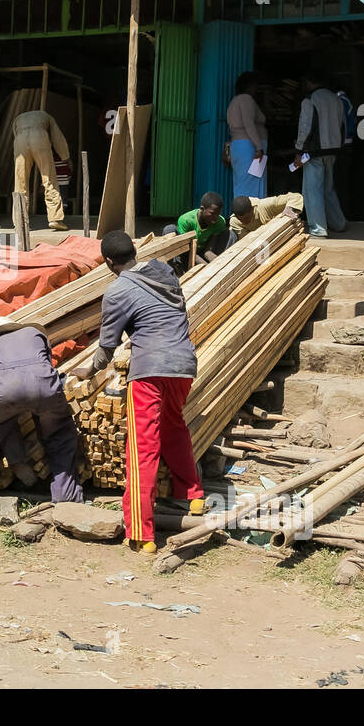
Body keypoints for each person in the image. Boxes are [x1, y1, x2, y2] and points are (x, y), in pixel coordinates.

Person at [93, 230, 204, 553]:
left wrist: (92, 368)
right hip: (183, 365)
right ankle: (192, 496)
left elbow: (108, 345)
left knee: (143, 446)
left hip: (150, 370)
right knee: (173, 425)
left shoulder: (117, 290)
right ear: (135, 252)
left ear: (109, 262)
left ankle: (142, 533)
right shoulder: (164, 272)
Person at [0, 321, 83, 521]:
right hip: (42, 384)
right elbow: (45, 366)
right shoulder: (35, 334)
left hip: (1, 389)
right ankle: (66, 502)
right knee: (59, 436)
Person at [294, 71, 348, 238]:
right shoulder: (336, 99)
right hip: (332, 150)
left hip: (313, 152)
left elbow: (305, 127)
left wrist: (299, 150)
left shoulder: (310, 99)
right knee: (328, 188)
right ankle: (338, 223)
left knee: (313, 190)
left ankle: (318, 228)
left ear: (309, 82)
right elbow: (342, 124)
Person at [11, 109, 71, 231]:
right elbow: (57, 138)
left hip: (20, 140)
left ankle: (19, 220)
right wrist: (66, 157)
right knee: (49, 178)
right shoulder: (47, 116)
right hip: (39, 139)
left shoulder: (19, 117)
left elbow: (15, 133)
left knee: (20, 183)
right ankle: (55, 218)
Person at [227, 72, 268, 200]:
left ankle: (242, 215)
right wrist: (259, 147)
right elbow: (249, 123)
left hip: (240, 146)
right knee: (252, 183)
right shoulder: (246, 99)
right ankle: (250, 217)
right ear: (250, 86)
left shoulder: (234, 102)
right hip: (250, 147)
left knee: (243, 182)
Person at [175, 191, 236, 264]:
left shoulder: (220, 221)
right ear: (202, 208)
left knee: (230, 234)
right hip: (186, 254)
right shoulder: (186, 221)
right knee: (169, 229)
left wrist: (219, 264)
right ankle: (176, 269)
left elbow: (208, 252)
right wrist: (206, 267)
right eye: (212, 213)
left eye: (218, 214)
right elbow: (186, 251)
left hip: (202, 253)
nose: (216, 217)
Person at [229, 192, 304, 239]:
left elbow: (296, 196)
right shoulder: (234, 221)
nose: (244, 221)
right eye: (240, 220)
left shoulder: (266, 205)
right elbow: (246, 239)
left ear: (252, 210)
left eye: (246, 218)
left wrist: (289, 208)